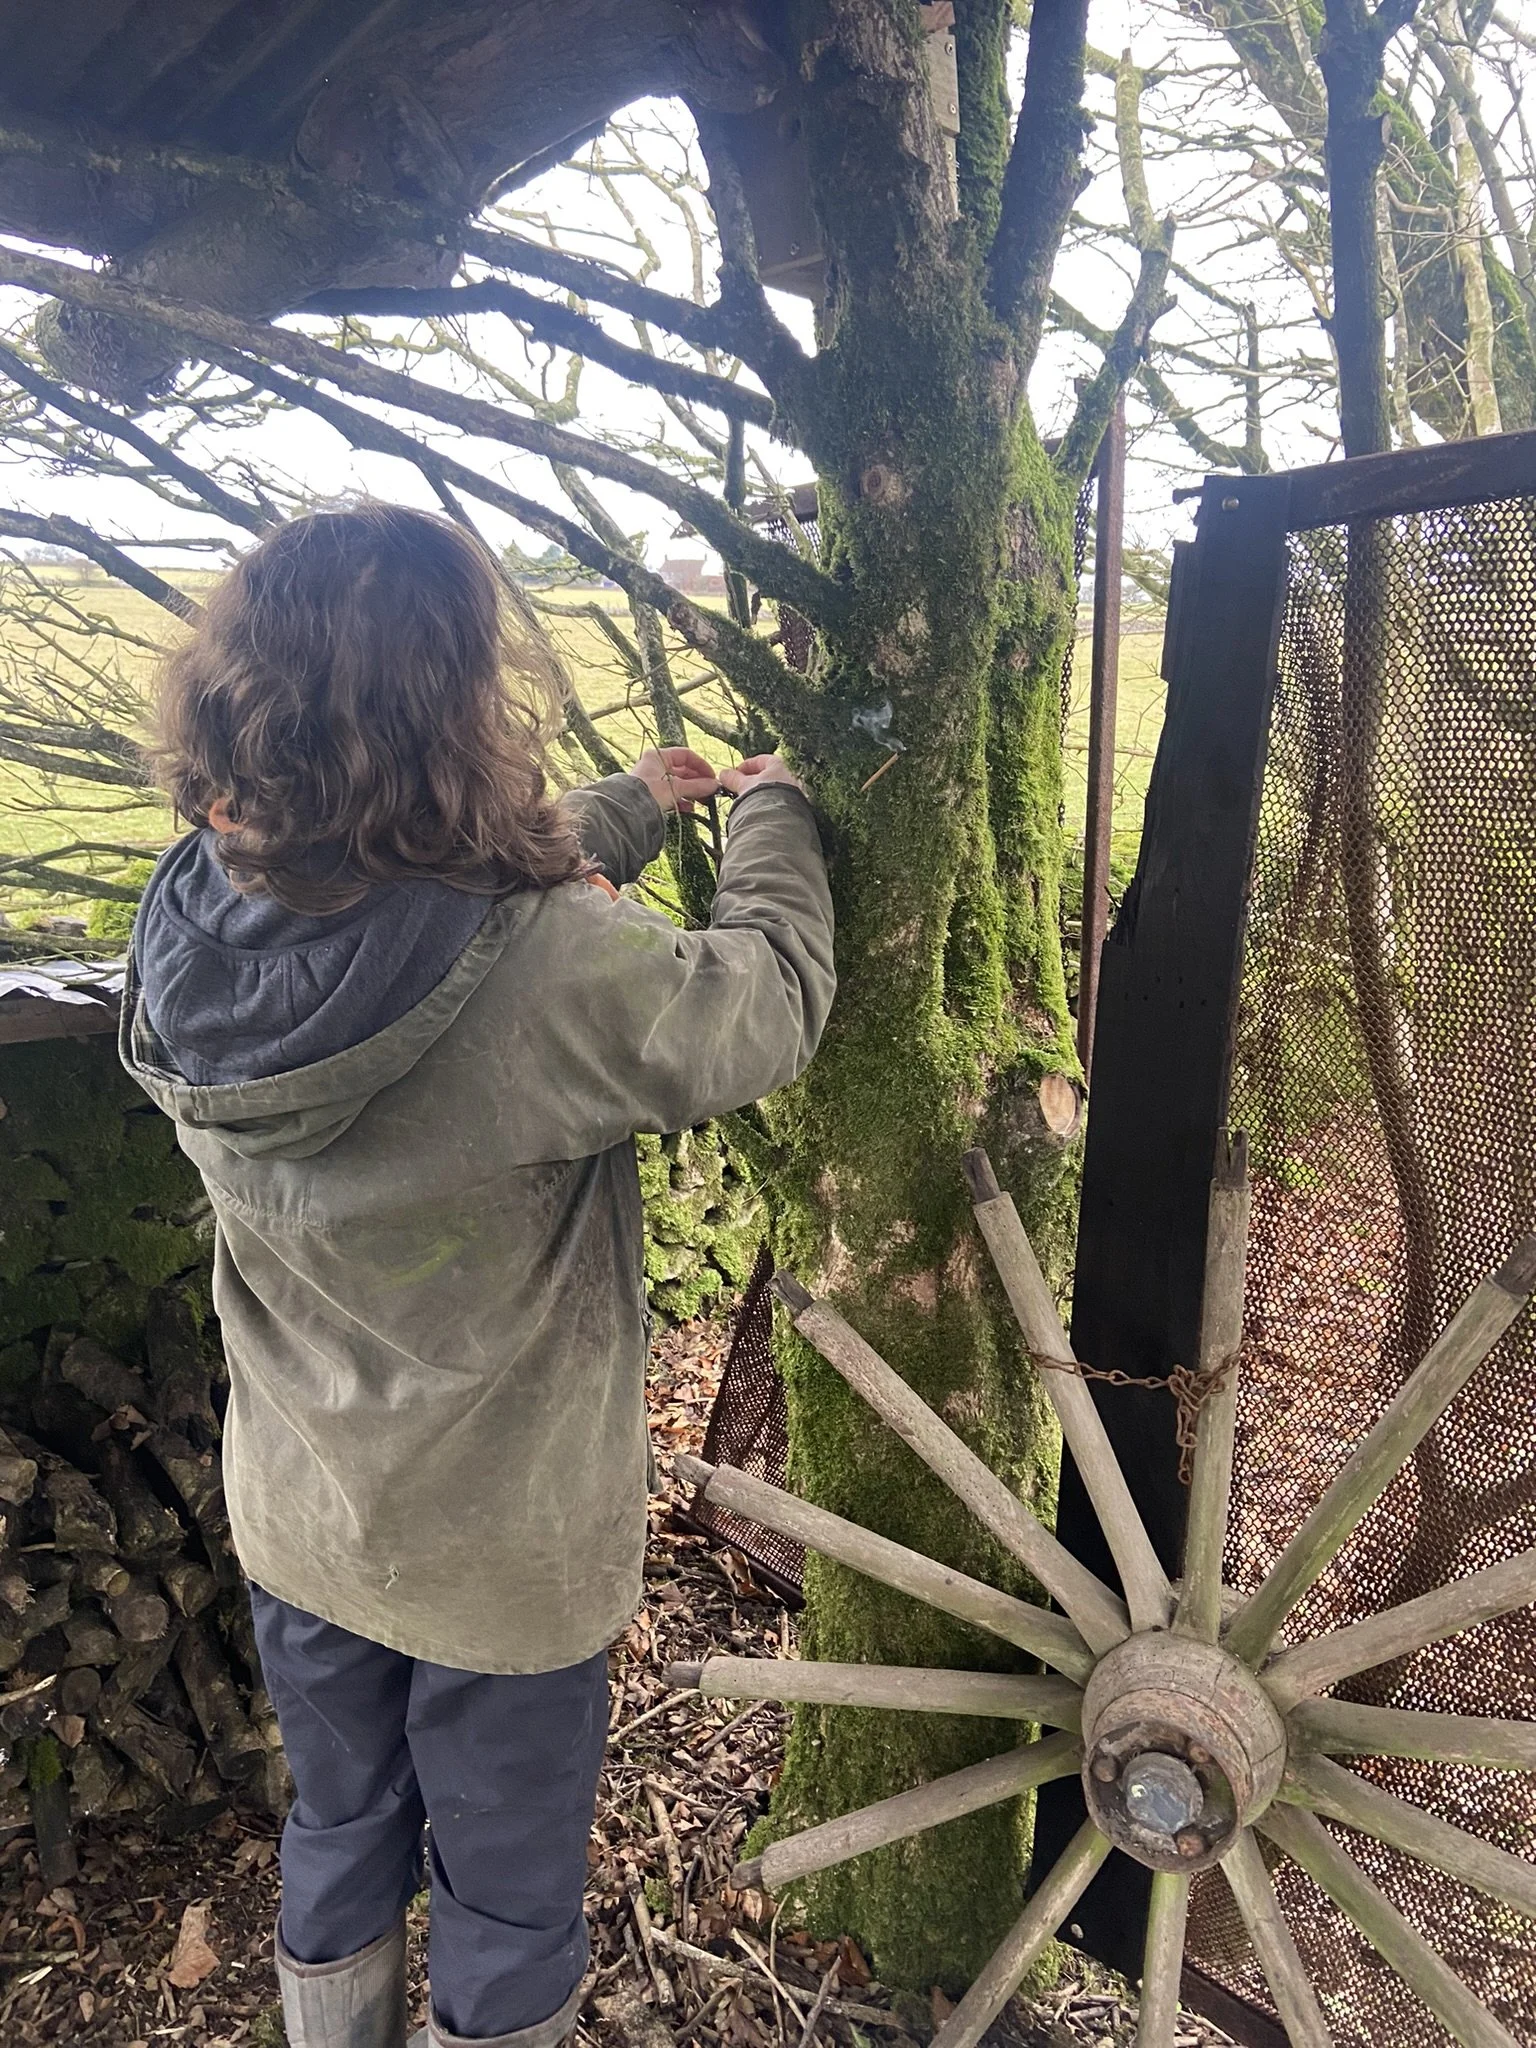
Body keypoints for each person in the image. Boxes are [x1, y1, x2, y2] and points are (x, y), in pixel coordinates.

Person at [120, 502, 836, 2048]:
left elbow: (399, 910)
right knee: (506, 1903)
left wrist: (628, 808)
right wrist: (772, 816)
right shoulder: (543, 961)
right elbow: (764, 1001)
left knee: (338, 1826)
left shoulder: (189, 920)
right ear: (452, 704)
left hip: (304, 1514)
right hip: (503, 1558)